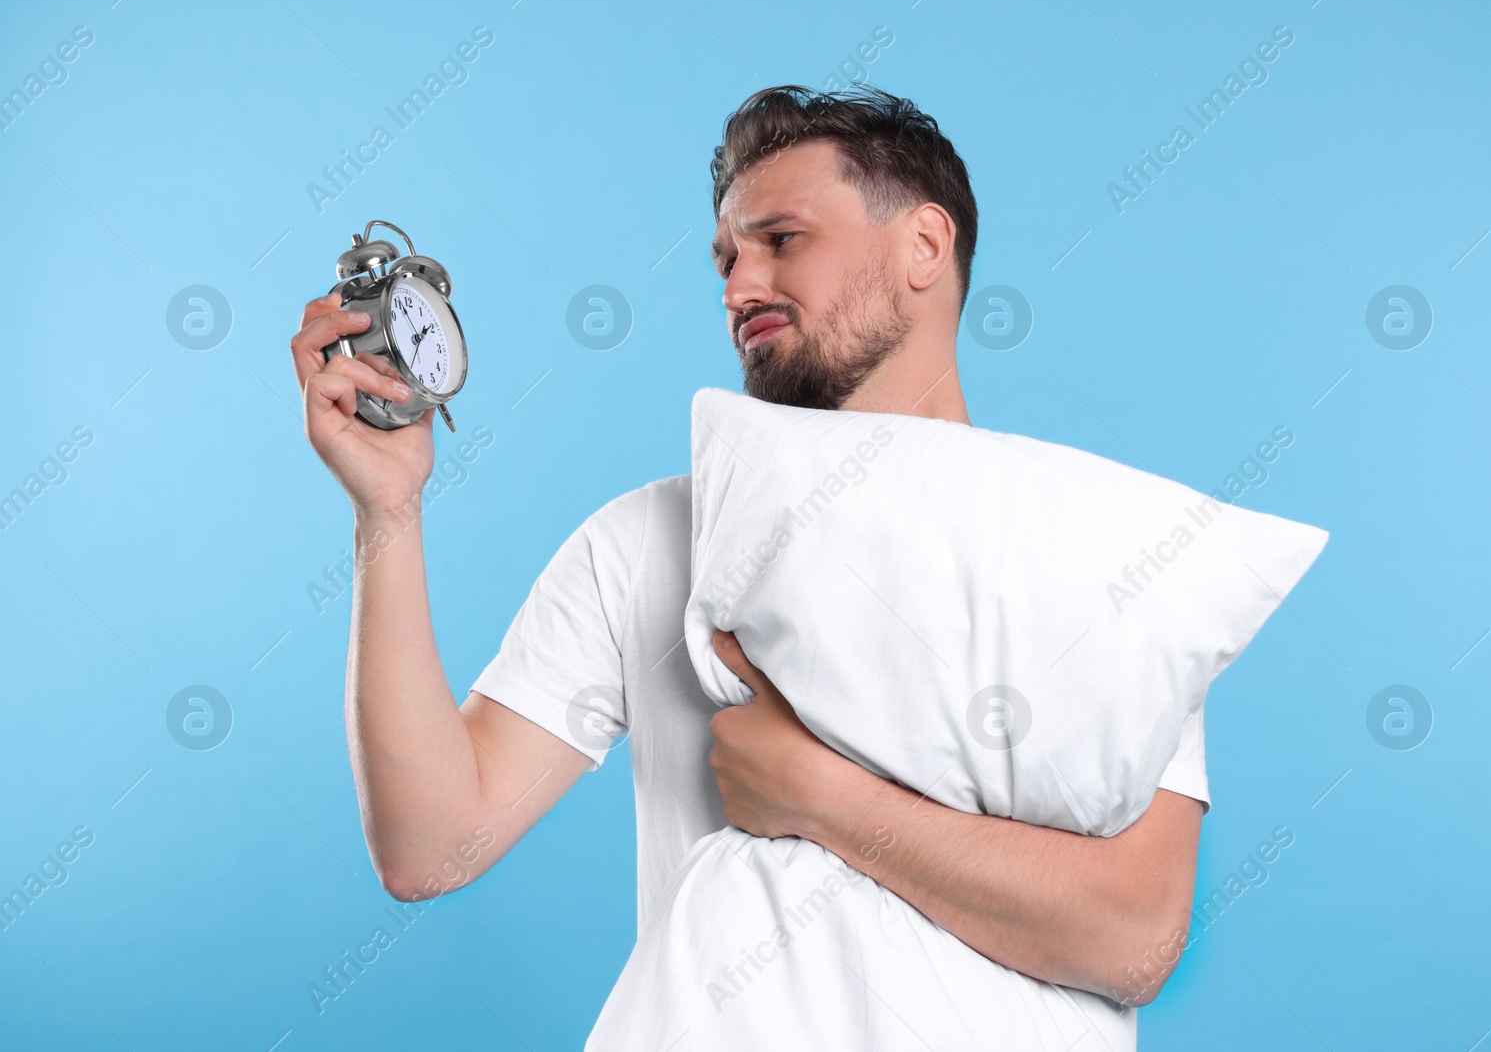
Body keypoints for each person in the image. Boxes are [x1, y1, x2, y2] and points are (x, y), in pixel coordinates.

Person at [286, 85, 1206, 1021]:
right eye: (726, 258)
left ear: (924, 246)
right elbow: (430, 845)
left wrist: (820, 796)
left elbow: (1135, 943)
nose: (738, 288)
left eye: (782, 240)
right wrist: (388, 513)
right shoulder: (650, 544)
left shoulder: (1095, 547)